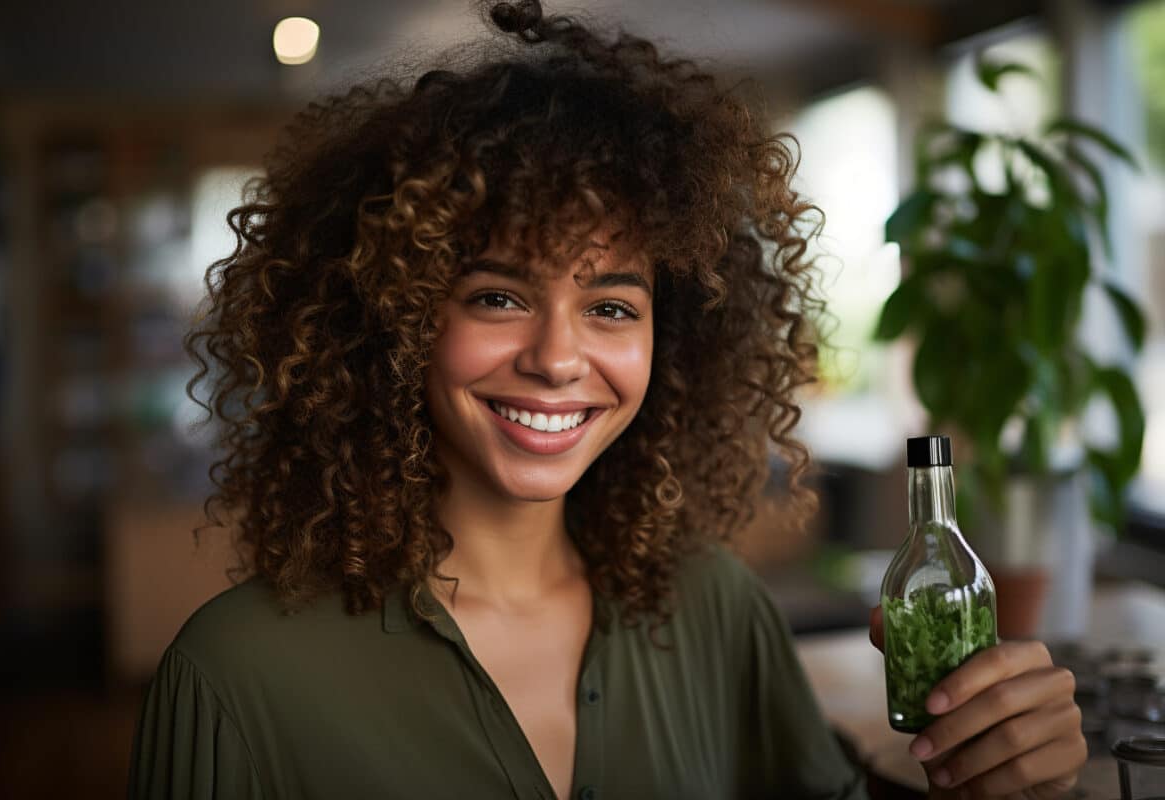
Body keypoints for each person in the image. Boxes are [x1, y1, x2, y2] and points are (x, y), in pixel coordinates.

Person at [128, 2, 1087, 797]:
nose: (557, 358)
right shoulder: (237, 676)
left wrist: (992, 781)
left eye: (610, 304)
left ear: (671, 343)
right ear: (394, 317)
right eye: (498, 296)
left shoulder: (714, 611)